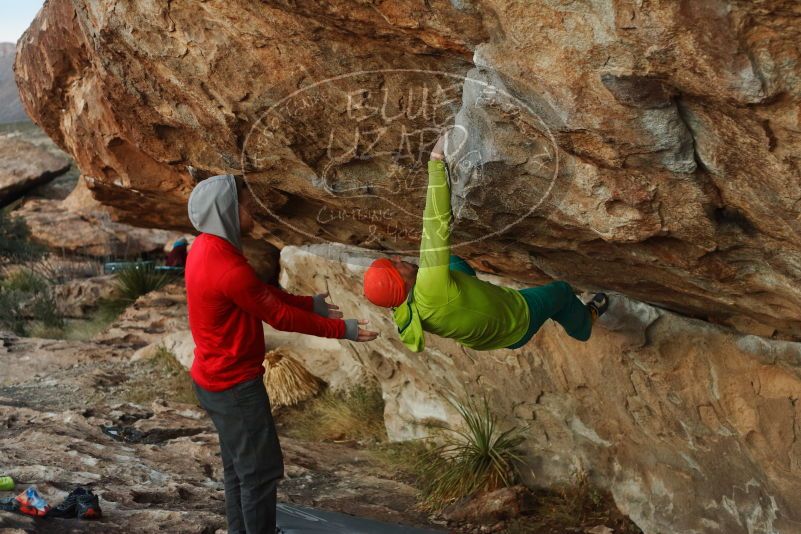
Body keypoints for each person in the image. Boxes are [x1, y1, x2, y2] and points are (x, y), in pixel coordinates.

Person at [185, 174, 378, 534]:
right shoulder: (229, 267)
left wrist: (310, 304)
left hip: (211, 380)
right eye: (245, 203)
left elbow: (258, 293)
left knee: (239, 471)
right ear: (227, 211)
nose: (253, 207)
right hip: (234, 386)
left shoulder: (206, 248)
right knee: (260, 472)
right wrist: (343, 329)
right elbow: (277, 315)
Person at [363, 133, 608, 353]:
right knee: (562, 292)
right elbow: (434, 225)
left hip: (485, 336)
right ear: (402, 283)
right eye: (395, 265)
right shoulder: (430, 288)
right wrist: (436, 163)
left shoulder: (404, 309)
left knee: (452, 261)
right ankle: (584, 324)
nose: (397, 258)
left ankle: (467, 291)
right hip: (516, 322)